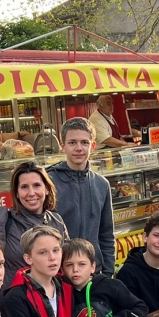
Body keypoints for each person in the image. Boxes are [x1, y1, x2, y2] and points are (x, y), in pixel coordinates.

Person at [47, 117, 115, 275]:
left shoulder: (102, 184)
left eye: (84, 142)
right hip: (60, 272)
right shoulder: (49, 182)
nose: (78, 148)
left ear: (93, 146)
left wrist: (108, 271)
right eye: (72, 142)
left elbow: (106, 233)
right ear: (63, 146)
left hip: (94, 271)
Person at [0, 162, 69, 288]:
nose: (31, 193)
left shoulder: (56, 220)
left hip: (50, 300)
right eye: (24, 187)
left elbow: (67, 262)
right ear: (16, 193)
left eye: (36, 185)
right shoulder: (3, 218)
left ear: (46, 189)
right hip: (13, 301)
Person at [0, 227, 73, 317]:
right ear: (28, 259)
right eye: (43, 253)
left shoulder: (66, 286)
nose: (52, 258)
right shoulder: (16, 298)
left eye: (56, 250)